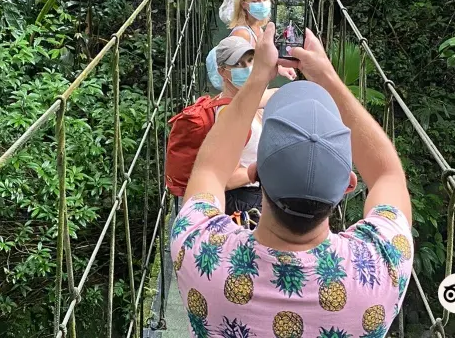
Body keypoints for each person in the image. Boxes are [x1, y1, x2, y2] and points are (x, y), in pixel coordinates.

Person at [171, 24, 412, 338]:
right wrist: (326, 75)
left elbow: (209, 170)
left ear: (255, 172)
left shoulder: (200, 249)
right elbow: (387, 173)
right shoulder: (382, 264)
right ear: (348, 185)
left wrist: (258, 78)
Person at [213, 36, 276, 215]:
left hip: (256, 193)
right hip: (245, 201)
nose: (247, 68)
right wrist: (265, 167)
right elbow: (227, 179)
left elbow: (271, 94)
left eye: (250, 60)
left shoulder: (245, 101)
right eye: (238, 64)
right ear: (223, 72)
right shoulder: (229, 115)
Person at [228, 0, 296, 81]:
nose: (262, 4)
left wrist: (280, 68)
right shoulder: (242, 34)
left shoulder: (258, 28)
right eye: (255, 1)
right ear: (244, 4)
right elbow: (240, 78)